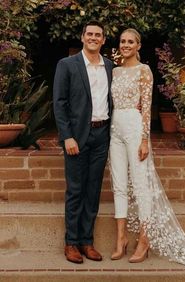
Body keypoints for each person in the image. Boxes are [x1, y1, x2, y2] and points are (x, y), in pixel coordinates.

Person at [109, 28, 185, 267]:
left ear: (138, 46)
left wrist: (143, 139)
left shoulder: (144, 71)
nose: (126, 45)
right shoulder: (115, 71)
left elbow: (147, 107)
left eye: (131, 42)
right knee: (119, 185)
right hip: (114, 130)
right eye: (123, 41)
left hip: (134, 128)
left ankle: (144, 239)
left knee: (140, 185)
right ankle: (121, 239)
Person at [53, 21, 113, 264]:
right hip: (76, 136)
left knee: (93, 190)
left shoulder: (109, 66)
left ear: (103, 40)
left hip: (102, 136)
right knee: (76, 190)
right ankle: (71, 243)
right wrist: (67, 136)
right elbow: (59, 102)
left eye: (98, 35)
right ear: (82, 37)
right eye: (89, 34)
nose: (93, 37)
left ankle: (87, 242)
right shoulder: (67, 65)